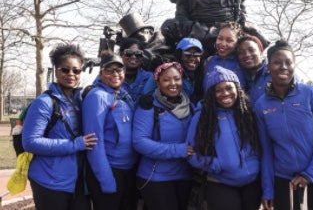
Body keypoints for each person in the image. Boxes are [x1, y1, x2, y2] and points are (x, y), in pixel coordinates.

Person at [254, 40, 313, 210]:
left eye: (288, 62)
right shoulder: (261, 105)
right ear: (268, 67)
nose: (283, 66)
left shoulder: (311, 94)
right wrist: (268, 190)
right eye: (277, 62)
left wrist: (309, 174)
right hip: (285, 179)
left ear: (294, 65)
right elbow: (266, 150)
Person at [22, 44, 97, 210]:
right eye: (65, 70)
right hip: (49, 181)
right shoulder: (44, 103)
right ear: (56, 71)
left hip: (77, 181)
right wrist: (75, 144)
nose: (71, 74)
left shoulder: (79, 100)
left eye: (76, 70)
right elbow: (30, 142)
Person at [186, 65, 261, 210]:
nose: (224, 93)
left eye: (228, 88)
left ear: (237, 89)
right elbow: (190, 152)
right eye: (218, 90)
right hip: (221, 183)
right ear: (210, 94)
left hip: (253, 183)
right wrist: (216, 164)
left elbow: (262, 144)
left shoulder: (248, 112)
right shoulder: (202, 117)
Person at [133, 62, 194, 210]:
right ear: (158, 82)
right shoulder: (149, 106)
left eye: (177, 78)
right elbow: (139, 141)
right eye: (166, 80)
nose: (173, 83)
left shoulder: (189, 106)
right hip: (156, 177)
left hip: (183, 175)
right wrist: (178, 150)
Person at [82, 52, 138, 210]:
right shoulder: (97, 96)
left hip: (128, 170)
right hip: (110, 171)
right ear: (100, 74)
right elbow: (94, 143)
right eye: (109, 70)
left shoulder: (123, 95)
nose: (115, 74)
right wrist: (107, 180)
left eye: (119, 70)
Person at [143, 37, 204, 104]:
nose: (192, 58)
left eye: (197, 55)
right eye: (187, 54)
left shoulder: (199, 75)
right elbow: (147, 95)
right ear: (179, 55)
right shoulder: (164, 70)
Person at [203, 21, 246, 90]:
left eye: (229, 40)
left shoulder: (242, 63)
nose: (223, 44)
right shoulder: (208, 61)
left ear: (237, 43)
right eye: (220, 38)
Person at [236, 34, 271, 103]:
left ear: (260, 52)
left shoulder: (274, 73)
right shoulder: (240, 79)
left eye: (251, 50)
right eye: (241, 53)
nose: (247, 55)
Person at [119, 37, 153, 104]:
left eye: (138, 53)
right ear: (121, 54)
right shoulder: (110, 77)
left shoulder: (150, 78)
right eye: (129, 53)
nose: (133, 57)